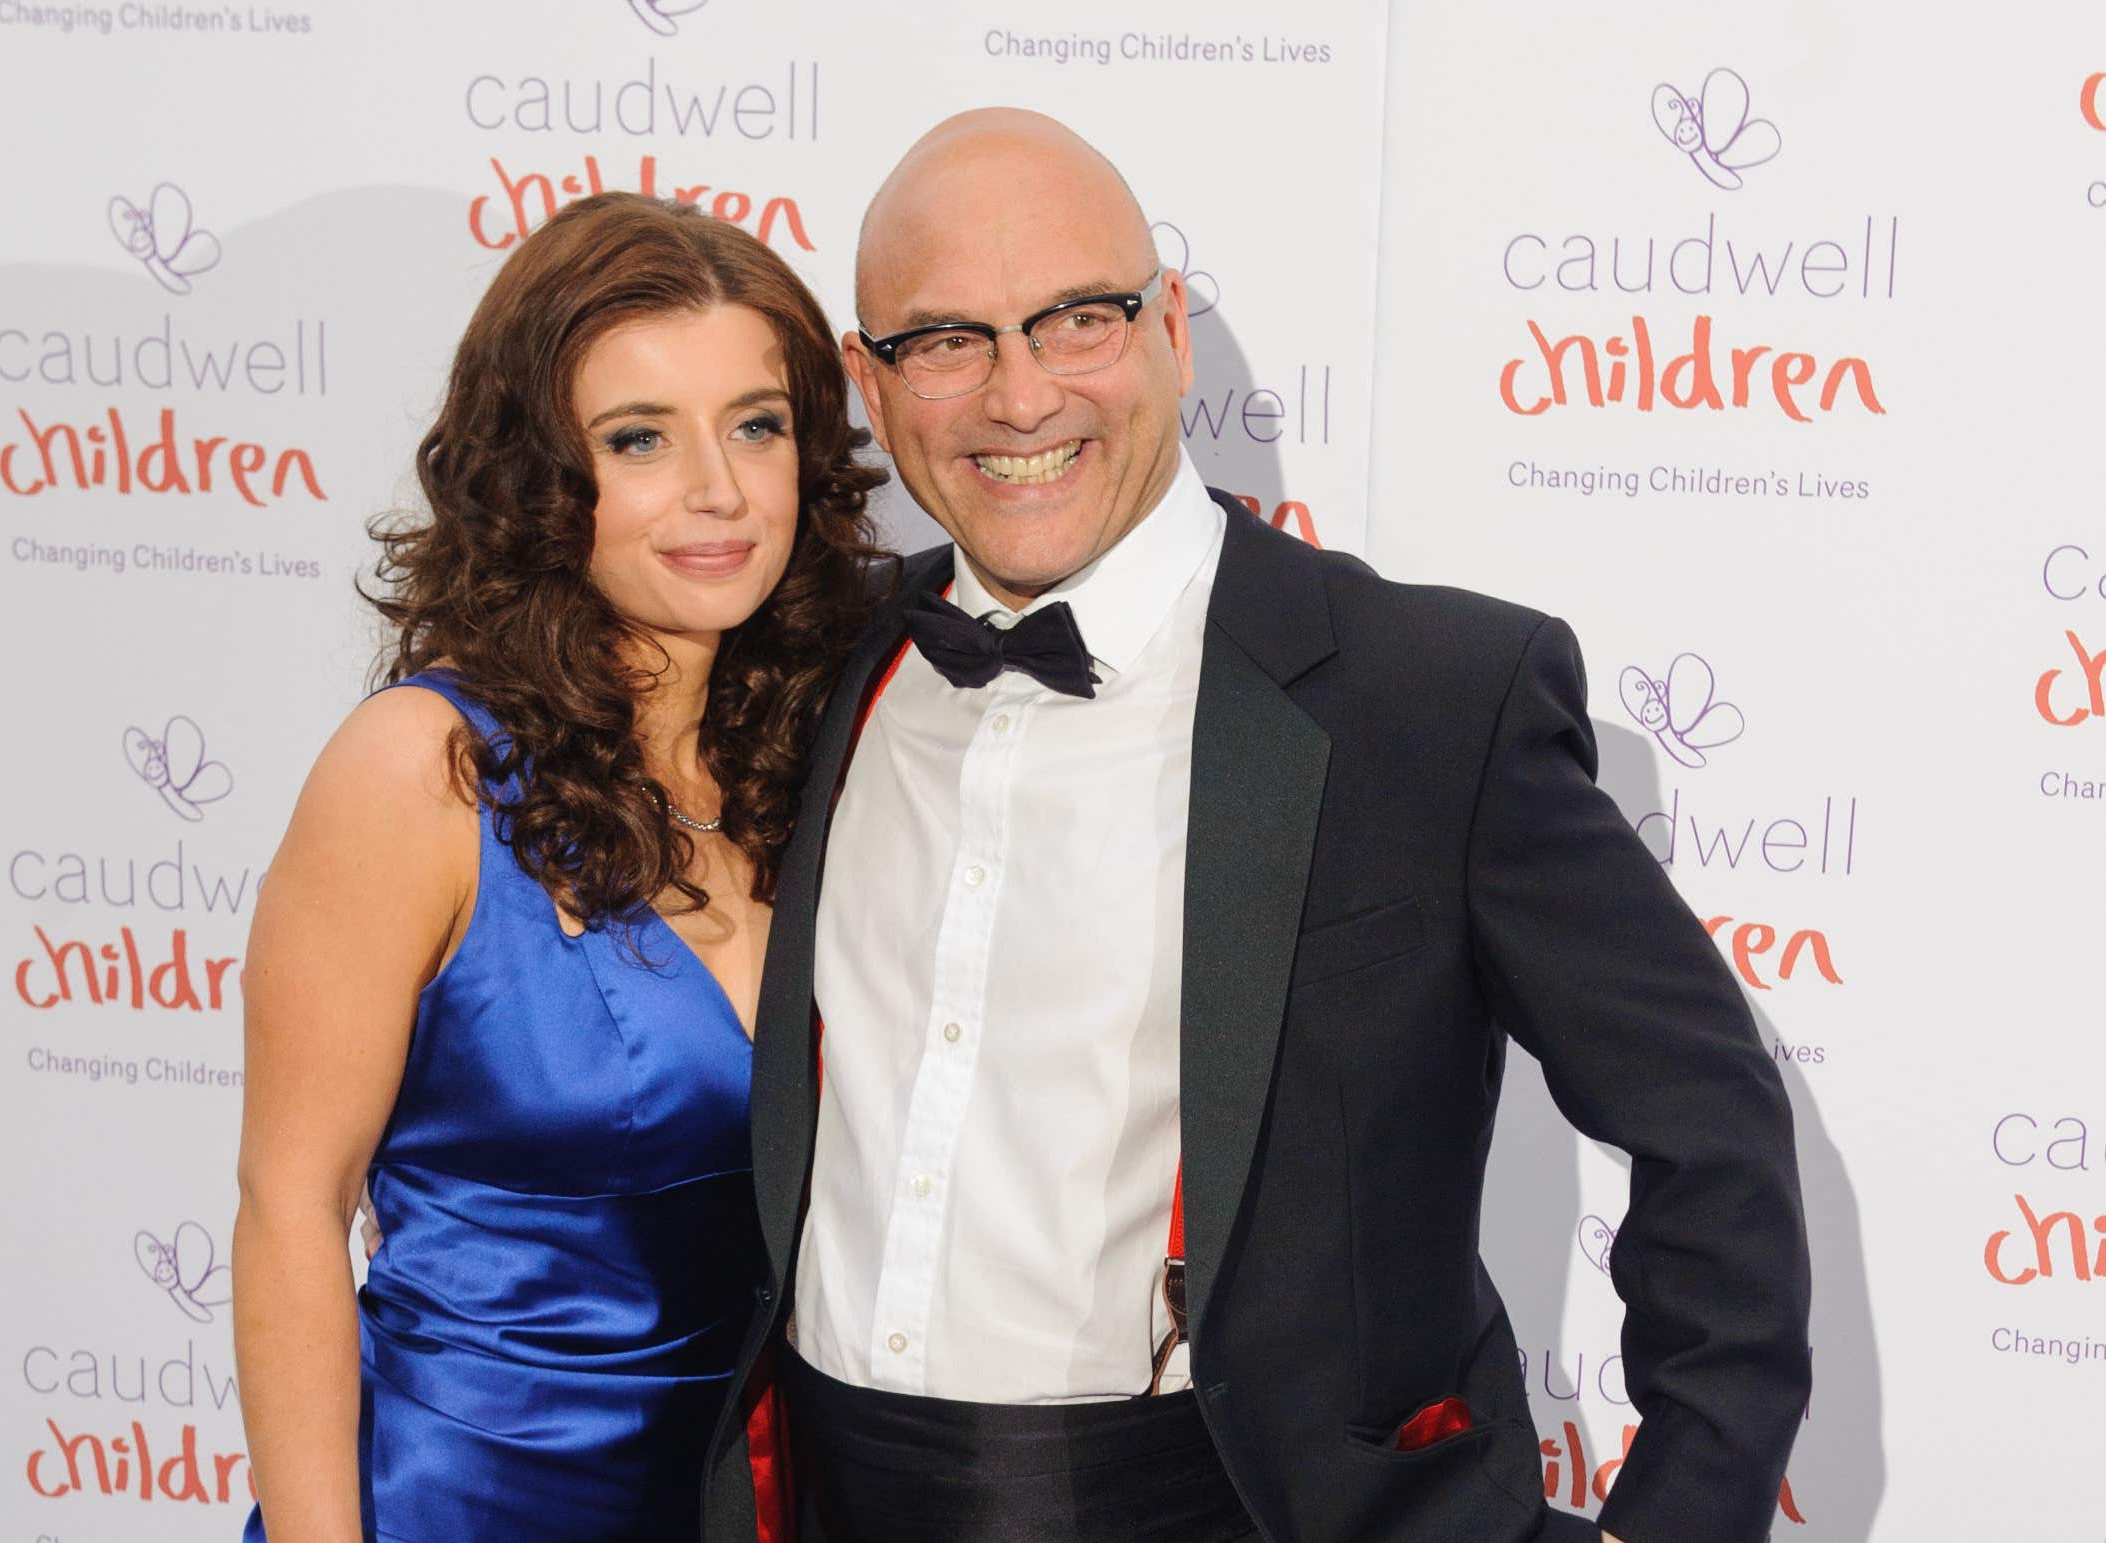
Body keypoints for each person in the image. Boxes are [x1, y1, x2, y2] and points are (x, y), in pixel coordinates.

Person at [697, 111, 1812, 1543]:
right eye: (947, 340)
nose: (1020, 397)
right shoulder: (813, 664)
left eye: (1075, 319)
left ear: (1166, 323)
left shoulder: (1428, 698)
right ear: (871, 379)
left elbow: (1708, 1125)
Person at [231, 191, 885, 1542]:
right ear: (538, 475)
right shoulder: (424, 771)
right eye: (638, 439)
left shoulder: (828, 752)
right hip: (464, 1507)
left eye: (756, 425)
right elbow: (291, 1209)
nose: (717, 490)